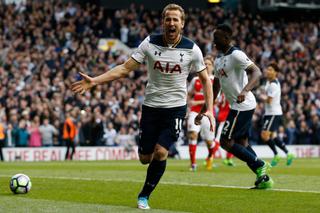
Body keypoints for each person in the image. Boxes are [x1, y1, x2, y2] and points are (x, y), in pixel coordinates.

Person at [71, 4, 214, 209]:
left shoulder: (192, 49)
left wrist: (209, 109)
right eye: (168, 19)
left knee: (161, 152)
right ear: (163, 22)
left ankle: (144, 195)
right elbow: (124, 69)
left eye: (175, 20)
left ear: (182, 24)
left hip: (175, 108)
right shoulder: (149, 43)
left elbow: (206, 80)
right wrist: (95, 81)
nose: (171, 23)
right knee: (145, 158)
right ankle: (146, 171)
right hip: (151, 107)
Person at [196, 24, 273, 189]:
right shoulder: (218, 60)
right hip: (237, 106)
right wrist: (204, 110)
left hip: (243, 105)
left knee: (225, 141)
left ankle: (259, 164)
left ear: (226, 38)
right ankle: (264, 179)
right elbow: (215, 89)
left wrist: (245, 90)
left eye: (216, 38)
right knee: (242, 143)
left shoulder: (237, 55)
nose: (213, 42)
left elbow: (257, 72)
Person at [187, 55, 219, 171]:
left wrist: (197, 101)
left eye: (209, 64)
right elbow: (189, 94)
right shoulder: (195, 80)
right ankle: (193, 164)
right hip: (194, 112)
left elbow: (216, 99)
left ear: (213, 67)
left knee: (209, 141)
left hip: (207, 113)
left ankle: (210, 155)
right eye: (204, 64)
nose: (206, 66)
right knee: (192, 134)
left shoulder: (215, 81)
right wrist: (189, 103)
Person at [260, 62, 294, 166]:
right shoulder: (269, 82)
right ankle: (288, 154)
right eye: (267, 69)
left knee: (264, 135)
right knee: (273, 137)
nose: (268, 71)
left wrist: (260, 97)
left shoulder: (274, 84)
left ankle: (276, 155)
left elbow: (269, 101)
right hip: (270, 113)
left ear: (276, 73)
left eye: (271, 70)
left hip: (273, 113)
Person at [215, 92, 235, 166]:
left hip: (222, 116)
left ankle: (228, 159)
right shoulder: (230, 93)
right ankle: (209, 158)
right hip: (227, 118)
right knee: (226, 138)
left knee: (230, 138)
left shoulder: (222, 94)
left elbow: (218, 104)